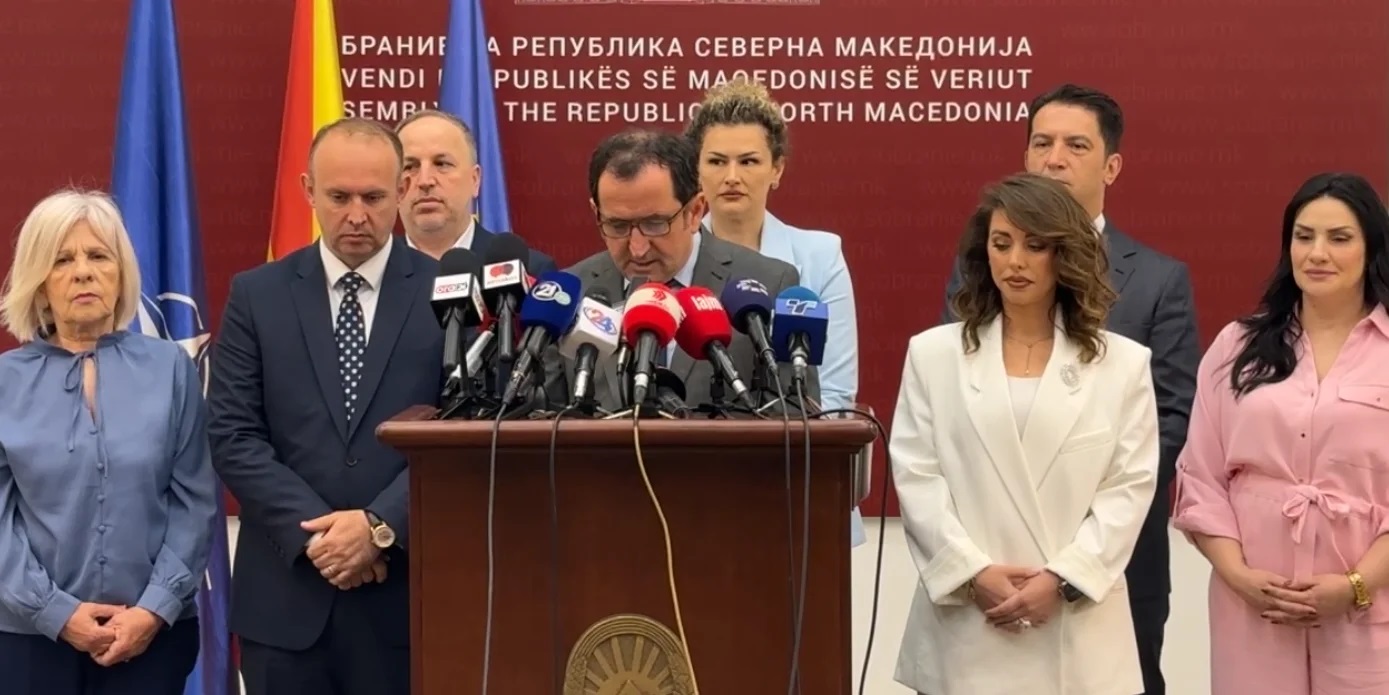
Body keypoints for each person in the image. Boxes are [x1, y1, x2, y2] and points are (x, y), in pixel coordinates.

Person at [939, 83, 1198, 694]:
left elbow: (1169, 422)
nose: (1054, 159)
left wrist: (1072, 553)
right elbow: (955, 411)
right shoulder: (979, 269)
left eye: (1075, 146)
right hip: (991, 562)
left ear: (1111, 166)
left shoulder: (1157, 280)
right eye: (1042, 143)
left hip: (1115, 564)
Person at [894, 172, 1159, 695]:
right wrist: (972, 574)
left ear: (1065, 254)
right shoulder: (933, 355)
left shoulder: (1123, 365)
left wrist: (1062, 580)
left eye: (1035, 246)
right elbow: (916, 478)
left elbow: (1129, 489)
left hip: (1075, 633)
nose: (1015, 261)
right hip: (966, 630)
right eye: (1002, 244)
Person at [207, 117, 444, 695]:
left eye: (374, 198)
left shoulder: (450, 294)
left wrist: (380, 526)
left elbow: (466, 433)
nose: (356, 216)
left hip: (408, 604)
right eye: (339, 197)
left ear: (403, 190)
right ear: (308, 190)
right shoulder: (256, 295)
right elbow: (234, 435)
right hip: (286, 606)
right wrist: (322, 538)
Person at [1171, 172, 1389, 694]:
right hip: (1253, 606)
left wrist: (1357, 586)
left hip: (1367, 609)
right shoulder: (1237, 346)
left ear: (1371, 249)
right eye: (1303, 236)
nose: (1317, 253)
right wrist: (1239, 576)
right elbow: (1201, 477)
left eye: (1339, 238)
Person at [0, 188, 215, 694]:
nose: (83, 272)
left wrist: (153, 609)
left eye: (99, 256)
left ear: (121, 274)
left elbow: (194, 503)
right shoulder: (5, 381)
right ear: (38, 282)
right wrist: (55, 612)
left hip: (151, 638)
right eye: (62, 260)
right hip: (29, 640)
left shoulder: (171, 370)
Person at [683, 77, 867, 545]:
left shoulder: (820, 256)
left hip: (792, 487)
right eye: (717, 161)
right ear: (696, 170)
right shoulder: (672, 257)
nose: (732, 176)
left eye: (749, 161)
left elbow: (835, 395)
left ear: (777, 169)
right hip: (687, 488)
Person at [548, 128, 815, 411]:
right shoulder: (568, 297)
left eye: (655, 224)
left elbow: (796, 416)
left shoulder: (769, 285)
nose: (638, 248)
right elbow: (542, 421)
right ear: (596, 213)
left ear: (695, 211)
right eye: (617, 226)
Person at [395, 109, 558, 274]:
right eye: (409, 167)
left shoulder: (529, 270)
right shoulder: (380, 269)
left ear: (475, 180)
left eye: (442, 164)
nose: (425, 181)